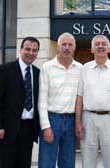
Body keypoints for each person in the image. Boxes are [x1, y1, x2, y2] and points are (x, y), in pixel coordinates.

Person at [75, 35, 110, 168]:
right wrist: (78, 121)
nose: (100, 46)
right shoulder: (85, 68)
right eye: (97, 44)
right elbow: (79, 96)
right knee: (88, 161)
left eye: (103, 44)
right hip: (88, 118)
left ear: (109, 49)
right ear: (92, 49)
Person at [0, 36, 40, 168]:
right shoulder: (4, 70)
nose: (30, 53)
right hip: (6, 129)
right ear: (21, 50)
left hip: (28, 129)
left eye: (34, 50)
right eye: (27, 49)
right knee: (5, 164)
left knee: (24, 164)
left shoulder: (38, 73)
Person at [38, 32, 82, 168]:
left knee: (68, 163)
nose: (67, 48)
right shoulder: (47, 67)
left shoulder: (80, 69)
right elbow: (42, 99)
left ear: (74, 47)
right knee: (47, 163)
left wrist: (78, 122)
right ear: (58, 47)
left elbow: (81, 98)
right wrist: (46, 127)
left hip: (71, 121)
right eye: (64, 44)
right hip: (52, 120)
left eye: (70, 45)